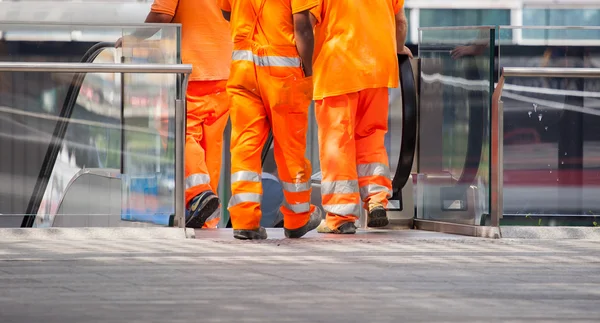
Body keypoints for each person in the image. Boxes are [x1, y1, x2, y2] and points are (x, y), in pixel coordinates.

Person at [117, 0, 232, 229]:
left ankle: (199, 193)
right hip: (225, 69)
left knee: (181, 132)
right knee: (212, 144)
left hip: (192, 69)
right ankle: (208, 222)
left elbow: (162, 15)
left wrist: (133, 39)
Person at [218, 0, 322, 240]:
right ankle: (297, 218)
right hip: (283, 75)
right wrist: (308, 72)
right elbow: (303, 26)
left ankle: (245, 221)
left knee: (245, 145)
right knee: (290, 149)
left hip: (243, 69)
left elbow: (225, 11)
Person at [309, 0, 412, 234]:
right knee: (372, 138)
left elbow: (306, 21)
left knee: (338, 142)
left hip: (337, 69)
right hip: (377, 69)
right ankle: (377, 199)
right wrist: (399, 48)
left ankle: (340, 216)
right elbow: (401, 22)